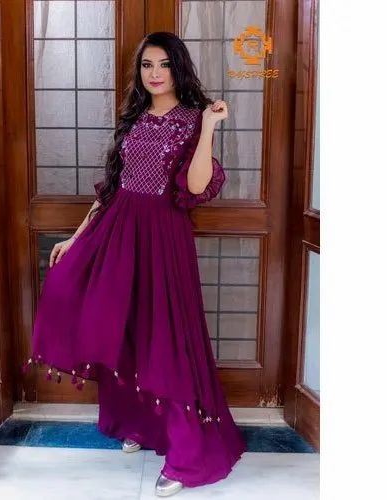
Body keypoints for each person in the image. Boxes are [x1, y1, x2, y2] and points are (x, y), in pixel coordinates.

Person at [22, 31, 247, 497]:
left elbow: (196, 187)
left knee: (164, 334)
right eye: (147, 65)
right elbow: (111, 189)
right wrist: (76, 237)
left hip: (163, 238)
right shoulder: (135, 119)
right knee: (115, 321)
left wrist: (208, 127)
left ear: (178, 68)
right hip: (118, 230)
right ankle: (139, 422)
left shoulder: (192, 120)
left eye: (163, 64)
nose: (155, 73)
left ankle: (185, 453)